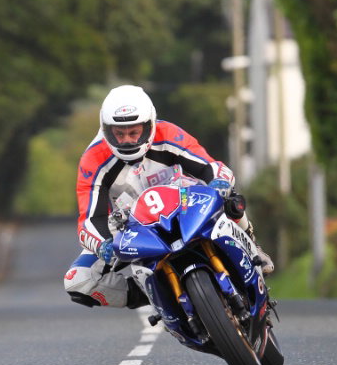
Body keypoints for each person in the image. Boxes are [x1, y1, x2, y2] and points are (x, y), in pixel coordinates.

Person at [64, 84, 273, 309]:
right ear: (106, 130)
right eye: (119, 133)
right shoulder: (93, 159)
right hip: (130, 224)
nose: (127, 140)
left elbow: (209, 165)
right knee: (78, 280)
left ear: (149, 125)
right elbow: (89, 219)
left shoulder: (168, 133)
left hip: (185, 202)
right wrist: (103, 244)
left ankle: (252, 244)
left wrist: (219, 182)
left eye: (134, 132)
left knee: (230, 196)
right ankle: (156, 294)